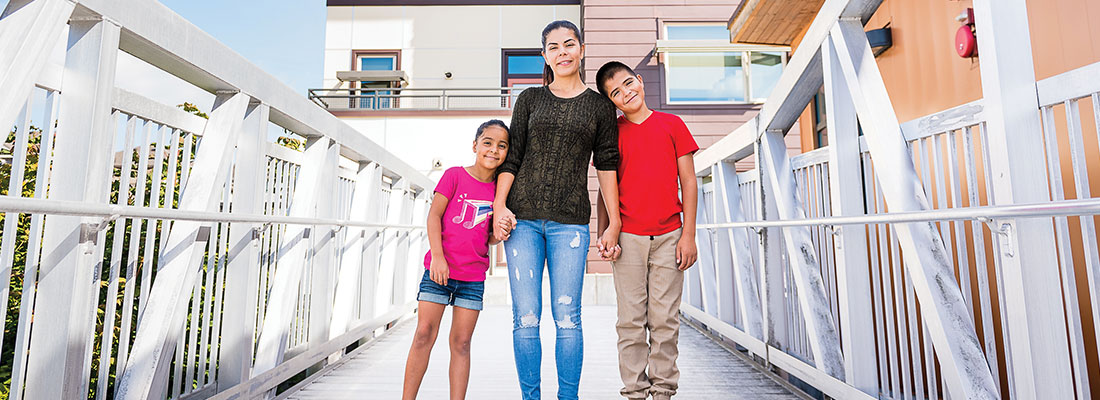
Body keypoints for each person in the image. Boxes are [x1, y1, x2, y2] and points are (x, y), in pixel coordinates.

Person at [491, 20, 622, 400]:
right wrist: (500, 206)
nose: (562, 52)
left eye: (569, 44)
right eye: (554, 47)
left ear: (580, 48)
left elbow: (607, 164)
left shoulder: (599, 106)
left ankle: (568, 397)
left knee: (568, 320)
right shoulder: (530, 99)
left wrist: (612, 223)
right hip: (522, 222)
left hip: (571, 225)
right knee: (526, 320)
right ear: (544, 55)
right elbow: (511, 159)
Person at [595, 61, 699, 400]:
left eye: (629, 84)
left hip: (670, 235)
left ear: (639, 80)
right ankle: (636, 391)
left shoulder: (672, 124)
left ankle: (664, 390)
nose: (627, 93)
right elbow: (604, 188)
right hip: (628, 239)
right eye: (616, 93)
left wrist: (689, 235)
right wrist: (605, 231)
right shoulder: (613, 133)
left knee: (665, 319)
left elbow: (689, 182)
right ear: (612, 102)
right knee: (630, 321)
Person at [402, 120, 510, 400]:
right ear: (475, 146)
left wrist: (501, 232)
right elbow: (434, 216)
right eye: (487, 142)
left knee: (461, 343)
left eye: (502, 146)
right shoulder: (454, 175)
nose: (494, 150)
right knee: (424, 333)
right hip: (439, 272)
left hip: (472, 277)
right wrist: (437, 257)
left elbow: (488, 237)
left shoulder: (500, 190)